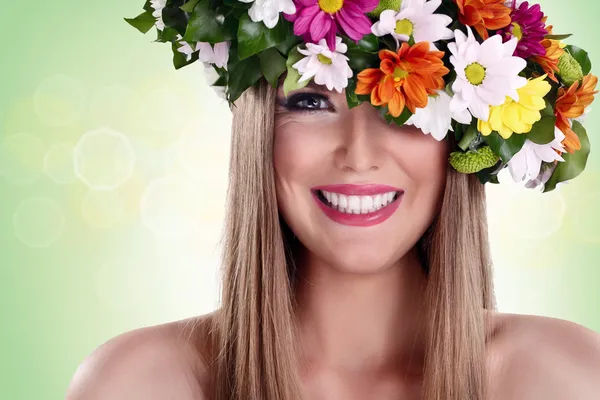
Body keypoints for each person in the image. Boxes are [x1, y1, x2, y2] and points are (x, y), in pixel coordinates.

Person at [67, 0, 600, 398]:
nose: (358, 154)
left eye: (404, 106)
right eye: (310, 100)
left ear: (463, 136)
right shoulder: (138, 383)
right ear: (259, 131)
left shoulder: (561, 376)